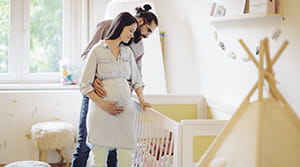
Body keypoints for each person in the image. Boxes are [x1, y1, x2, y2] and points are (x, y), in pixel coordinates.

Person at [72, 4, 158, 167]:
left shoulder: (136, 48)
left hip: (119, 101)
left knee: (115, 147)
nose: (148, 35)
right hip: (96, 93)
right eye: (149, 30)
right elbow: (87, 56)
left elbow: (136, 76)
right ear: (140, 22)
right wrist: (94, 78)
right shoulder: (106, 27)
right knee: (85, 141)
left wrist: (134, 95)